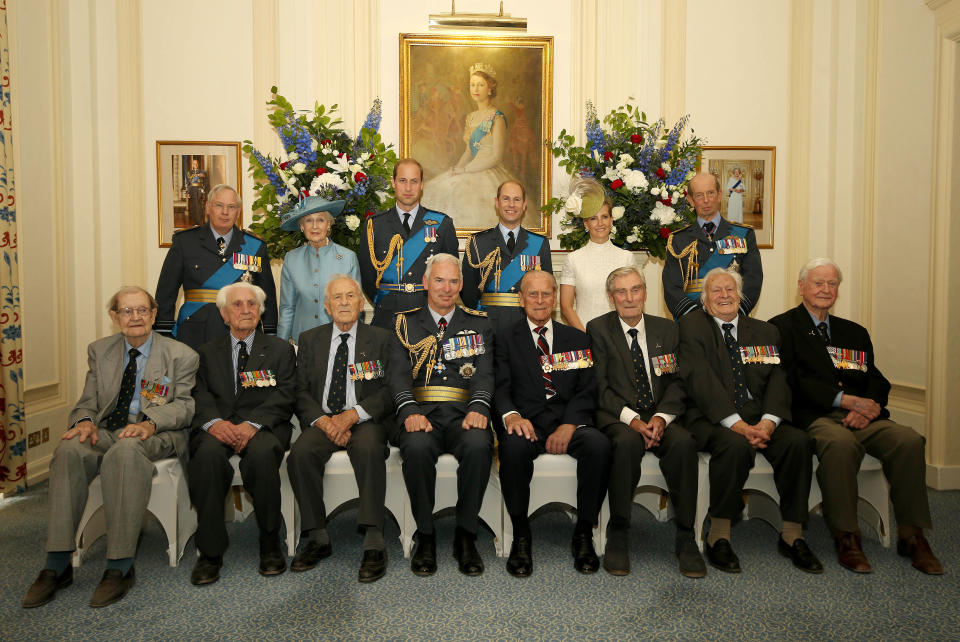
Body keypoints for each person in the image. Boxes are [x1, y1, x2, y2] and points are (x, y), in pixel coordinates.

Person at [22, 287, 199, 609]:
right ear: (114, 317)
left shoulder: (180, 354)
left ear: (154, 314)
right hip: (107, 431)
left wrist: (149, 422)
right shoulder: (100, 351)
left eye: (142, 310)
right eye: (128, 311)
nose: (136, 318)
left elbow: (185, 407)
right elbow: (87, 402)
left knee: (126, 450)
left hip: (155, 433)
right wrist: (85, 422)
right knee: (70, 448)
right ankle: (57, 562)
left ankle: (119, 565)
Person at [769, 258, 942, 575]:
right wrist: (844, 399)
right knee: (840, 444)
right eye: (818, 282)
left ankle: (912, 535)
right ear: (801, 287)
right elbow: (789, 380)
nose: (825, 289)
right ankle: (847, 536)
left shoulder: (854, 332)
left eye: (831, 283)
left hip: (864, 418)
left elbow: (875, 378)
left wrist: (871, 406)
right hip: (817, 416)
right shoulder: (781, 328)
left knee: (908, 440)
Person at [677, 268, 822, 574]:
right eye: (716, 291)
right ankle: (719, 535)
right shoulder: (692, 328)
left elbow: (778, 380)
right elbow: (699, 381)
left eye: (730, 289)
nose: (724, 295)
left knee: (798, 441)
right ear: (705, 301)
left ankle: (793, 534)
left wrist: (769, 423)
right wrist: (738, 425)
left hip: (760, 417)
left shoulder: (765, 332)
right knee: (735, 445)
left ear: (741, 296)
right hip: (710, 419)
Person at [586, 266, 705, 578]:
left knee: (683, 443)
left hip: (660, 415)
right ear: (611, 297)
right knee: (624, 444)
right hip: (619, 417)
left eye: (635, 289)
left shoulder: (667, 330)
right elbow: (600, 387)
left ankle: (685, 536)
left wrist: (661, 418)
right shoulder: (598, 329)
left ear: (645, 293)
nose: (629, 297)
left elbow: (678, 382)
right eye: (622, 292)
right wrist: (634, 420)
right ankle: (619, 532)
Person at [494, 270, 611, 576]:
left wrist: (570, 424)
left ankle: (583, 532)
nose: (540, 300)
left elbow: (588, 389)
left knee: (599, 446)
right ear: (521, 299)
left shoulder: (577, 338)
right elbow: (500, 387)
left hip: (567, 421)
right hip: (527, 423)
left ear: (556, 298)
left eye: (547, 293)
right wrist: (513, 416)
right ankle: (521, 534)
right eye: (532, 293)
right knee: (512, 450)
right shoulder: (505, 338)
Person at [387, 253, 494, 577]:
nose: (446, 288)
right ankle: (427, 536)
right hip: (421, 413)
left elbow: (484, 374)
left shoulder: (478, 323)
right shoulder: (404, 323)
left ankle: (466, 536)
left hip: (463, 412)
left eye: (452, 281)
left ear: (461, 285)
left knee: (479, 446)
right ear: (425, 283)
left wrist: (478, 407)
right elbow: (398, 375)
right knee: (416, 449)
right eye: (439, 280)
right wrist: (409, 411)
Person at [187, 282, 296, 586]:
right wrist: (214, 424)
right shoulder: (206, 353)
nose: (246, 309)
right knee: (206, 456)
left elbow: (286, 394)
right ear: (224, 314)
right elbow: (198, 393)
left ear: (260, 312)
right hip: (218, 426)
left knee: (261, 456)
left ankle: (270, 542)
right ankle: (209, 553)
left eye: (252, 304)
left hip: (262, 427)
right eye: (237, 305)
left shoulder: (280, 350)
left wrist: (253, 424)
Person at [287, 275, 394, 583]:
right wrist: (324, 421)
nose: (345, 302)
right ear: (326, 305)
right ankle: (317, 536)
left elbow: (389, 390)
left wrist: (351, 416)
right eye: (338, 297)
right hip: (323, 420)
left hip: (364, 420)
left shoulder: (382, 338)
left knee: (370, 448)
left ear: (362, 304)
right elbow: (299, 391)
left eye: (351, 296)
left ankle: (374, 539)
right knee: (300, 454)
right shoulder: (309, 339)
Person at [155, 184, 278, 350]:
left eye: (231, 207)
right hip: (195, 331)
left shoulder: (255, 246)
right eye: (219, 205)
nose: (225, 212)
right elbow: (166, 292)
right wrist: (164, 333)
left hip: (243, 330)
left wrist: (270, 333)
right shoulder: (185, 242)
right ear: (207, 207)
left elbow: (266, 295)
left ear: (238, 212)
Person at [359, 158, 458, 329]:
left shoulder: (443, 224)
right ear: (393, 183)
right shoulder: (374, 225)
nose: (408, 188)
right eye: (402, 181)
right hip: (387, 315)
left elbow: (452, 273)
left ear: (421, 185)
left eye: (414, 181)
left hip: (428, 315)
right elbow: (367, 277)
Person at [421, 63, 517, 226]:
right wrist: (457, 169)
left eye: (481, 84)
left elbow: (496, 157)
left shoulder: (497, 118)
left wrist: (465, 170)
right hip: (469, 168)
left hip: (488, 172)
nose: (476, 89)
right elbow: (468, 152)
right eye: (472, 85)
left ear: (490, 89)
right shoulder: (470, 117)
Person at [663, 172, 762, 319]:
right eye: (699, 195)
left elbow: (753, 279)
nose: (706, 200)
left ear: (719, 195)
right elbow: (672, 287)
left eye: (710, 193)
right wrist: (697, 320)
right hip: (693, 324)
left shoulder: (744, 234)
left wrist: (733, 313)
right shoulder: (678, 240)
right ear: (690, 200)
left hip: (733, 318)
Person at [462, 180, 552, 334]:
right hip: (488, 326)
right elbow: (468, 292)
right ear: (497, 203)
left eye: (517, 199)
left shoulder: (539, 243)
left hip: (527, 325)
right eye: (506, 199)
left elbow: (547, 289)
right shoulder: (477, 242)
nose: (511, 204)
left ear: (524, 205)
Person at [276, 195, 361, 345]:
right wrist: (280, 347)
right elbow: (287, 309)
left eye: (320, 220)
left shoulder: (348, 258)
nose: (315, 226)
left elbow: (355, 307)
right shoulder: (291, 259)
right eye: (309, 220)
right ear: (302, 226)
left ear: (328, 224)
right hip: (302, 343)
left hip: (338, 342)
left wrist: (356, 344)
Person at [559, 177, 635, 331]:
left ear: (611, 220)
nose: (600, 223)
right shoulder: (573, 259)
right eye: (594, 218)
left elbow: (632, 302)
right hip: (584, 335)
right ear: (586, 224)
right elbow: (565, 306)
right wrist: (585, 336)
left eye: (604, 217)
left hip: (619, 336)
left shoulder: (626, 258)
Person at [185, 157, 209, 227]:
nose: (195, 165)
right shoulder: (189, 172)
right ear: (192, 164)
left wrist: (204, 190)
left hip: (199, 190)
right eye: (194, 163)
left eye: (196, 163)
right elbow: (188, 183)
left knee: (199, 206)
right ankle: (195, 222)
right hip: (191, 190)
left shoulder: (202, 172)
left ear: (198, 164)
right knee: (193, 206)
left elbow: (205, 181)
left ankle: (199, 222)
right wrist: (187, 193)